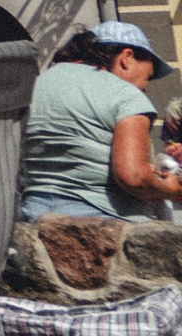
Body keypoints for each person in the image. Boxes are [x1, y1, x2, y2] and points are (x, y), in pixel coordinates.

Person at [22, 21, 180, 220]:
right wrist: (170, 189)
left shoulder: (36, 85)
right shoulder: (125, 94)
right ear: (127, 57)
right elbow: (134, 177)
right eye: (147, 76)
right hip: (103, 225)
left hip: (34, 213)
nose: (145, 88)